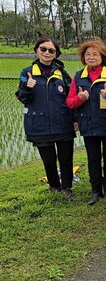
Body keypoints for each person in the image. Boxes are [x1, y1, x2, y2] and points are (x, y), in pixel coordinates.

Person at [15, 37, 75, 199]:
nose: (46, 53)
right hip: (40, 123)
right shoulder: (26, 73)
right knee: (48, 160)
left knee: (66, 158)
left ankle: (67, 187)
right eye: (43, 49)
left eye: (51, 50)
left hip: (62, 122)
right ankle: (54, 186)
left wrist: (75, 119)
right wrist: (28, 88)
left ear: (56, 54)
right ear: (36, 50)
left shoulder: (62, 73)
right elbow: (22, 98)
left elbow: (71, 96)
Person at [66, 39, 106, 205]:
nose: (91, 57)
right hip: (88, 124)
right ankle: (96, 190)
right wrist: (80, 98)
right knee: (93, 158)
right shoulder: (78, 76)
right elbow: (70, 102)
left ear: (102, 56)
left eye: (95, 54)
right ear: (83, 57)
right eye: (87, 54)